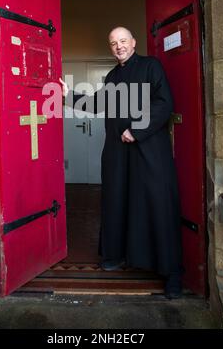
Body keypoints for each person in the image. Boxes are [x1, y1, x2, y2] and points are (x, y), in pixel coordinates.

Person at [60, 27, 183, 299]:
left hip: (149, 150)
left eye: (123, 41)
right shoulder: (113, 76)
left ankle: (171, 272)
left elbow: (164, 104)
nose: (119, 46)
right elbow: (96, 104)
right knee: (119, 201)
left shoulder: (151, 66)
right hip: (117, 152)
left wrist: (137, 130)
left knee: (155, 203)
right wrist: (68, 94)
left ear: (133, 42)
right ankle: (118, 255)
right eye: (114, 43)